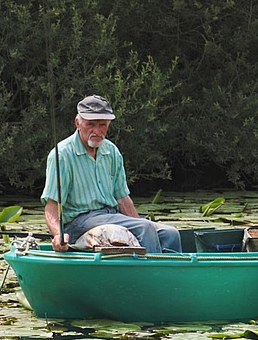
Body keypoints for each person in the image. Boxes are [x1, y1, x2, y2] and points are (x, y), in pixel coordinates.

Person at [42, 95, 181, 254]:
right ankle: (153, 275)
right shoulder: (62, 155)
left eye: (102, 124)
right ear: (77, 123)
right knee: (145, 228)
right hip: (79, 222)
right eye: (91, 124)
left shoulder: (111, 151)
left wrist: (138, 224)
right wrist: (59, 235)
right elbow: (51, 206)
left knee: (170, 234)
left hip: (112, 215)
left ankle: (173, 274)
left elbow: (122, 198)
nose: (97, 131)